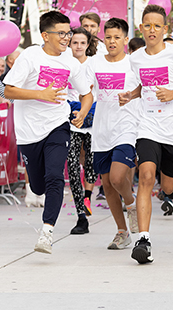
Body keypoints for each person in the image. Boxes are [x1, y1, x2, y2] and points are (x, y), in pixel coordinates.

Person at [119, 4, 173, 264]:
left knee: (168, 186)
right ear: (141, 28)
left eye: (157, 26)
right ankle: (143, 240)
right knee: (145, 176)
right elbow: (144, 84)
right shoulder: (135, 58)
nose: (152, 30)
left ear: (164, 28)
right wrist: (130, 95)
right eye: (147, 25)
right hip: (147, 125)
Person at [3, 11, 94, 254]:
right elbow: (9, 90)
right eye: (61, 33)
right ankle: (39, 189)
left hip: (58, 126)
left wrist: (83, 111)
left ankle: (47, 232)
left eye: (69, 33)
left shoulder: (71, 63)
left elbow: (87, 94)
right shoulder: (30, 57)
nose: (67, 38)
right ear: (45, 35)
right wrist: (40, 94)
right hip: (29, 132)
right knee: (39, 184)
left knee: (55, 176)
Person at [81, 18, 139, 249]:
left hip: (126, 127)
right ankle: (122, 231)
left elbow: (145, 89)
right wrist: (81, 112)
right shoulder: (94, 64)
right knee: (106, 183)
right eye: (108, 37)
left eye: (117, 37)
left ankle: (131, 203)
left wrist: (133, 97)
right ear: (103, 39)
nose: (112, 41)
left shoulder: (134, 64)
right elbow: (86, 92)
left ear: (125, 40)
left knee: (117, 178)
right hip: (102, 130)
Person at [66, 27, 100, 235]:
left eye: (82, 43)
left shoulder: (94, 64)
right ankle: (80, 215)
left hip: (92, 119)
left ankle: (87, 196)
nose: (78, 46)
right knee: (71, 165)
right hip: (70, 120)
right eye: (74, 42)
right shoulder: (64, 63)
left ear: (88, 45)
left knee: (90, 164)